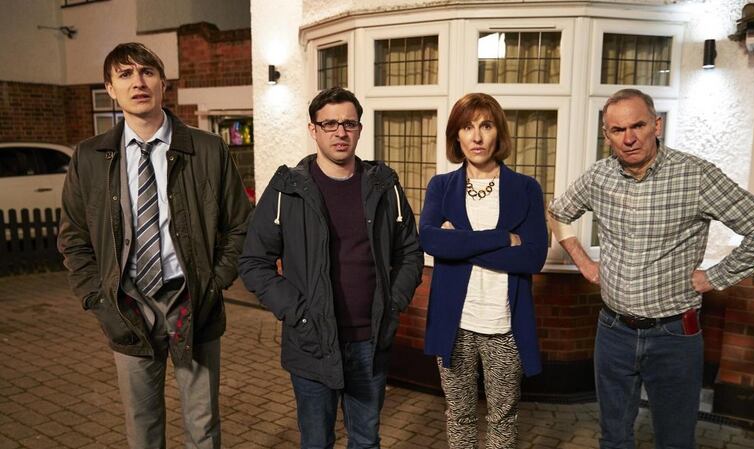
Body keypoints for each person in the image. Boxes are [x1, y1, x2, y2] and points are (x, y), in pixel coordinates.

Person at [548, 88, 754, 449]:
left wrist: (715, 276)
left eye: (638, 125)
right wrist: (584, 262)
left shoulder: (696, 176)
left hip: (674, 335)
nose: (628, 138)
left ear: (656, 125)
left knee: (675, 440)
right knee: (613, 437)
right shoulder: (598, 177)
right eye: (617, 130)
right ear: (606, 135)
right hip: (613, 330)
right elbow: (558, 211)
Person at [58, 42, 251, 449]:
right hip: (127, 307)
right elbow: (73, 237)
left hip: (192, 302)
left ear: (163, 83)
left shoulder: (208, 148)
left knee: (203, 425)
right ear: (110, 88)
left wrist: (213, 284)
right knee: (142, 426)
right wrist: (98, 299)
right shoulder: (90, 157)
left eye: (146, 72)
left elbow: (240, 226)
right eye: (125, 75)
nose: (138, 81)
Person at [238, 86, 423, 449]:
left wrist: (394, 301)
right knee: (317, 441)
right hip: (311, 342)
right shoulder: (286, 190)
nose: (340, 132)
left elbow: (410, 253)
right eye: (330, 124)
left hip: (370, 341)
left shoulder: (385, 186)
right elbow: (253, 263)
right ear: (313, 130)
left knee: (366, 439)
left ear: (359, 129)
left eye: (349, 124)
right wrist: (298, 313)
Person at [420, 93, 549, 449]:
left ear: (499, 134)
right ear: (456, 136)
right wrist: (502, 239)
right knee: (459, 415)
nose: (476, 137)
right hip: (454, 324)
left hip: (504, 327)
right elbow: (430, 241)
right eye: (467, 127)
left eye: (486, 126)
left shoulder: (525, 188)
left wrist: (459, 245)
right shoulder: (441, 186)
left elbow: (533, 257)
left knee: (502, 419)